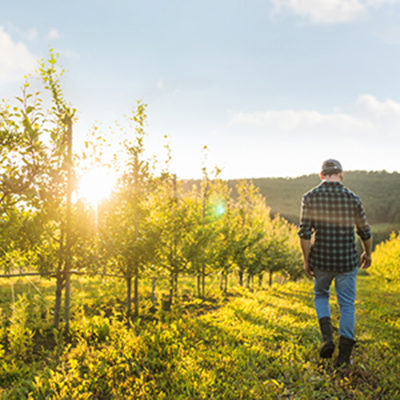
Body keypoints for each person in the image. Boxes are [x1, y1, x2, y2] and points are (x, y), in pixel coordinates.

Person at [298, 159, 372, 367]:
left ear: (322, 175)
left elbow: (304, 233)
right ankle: (344, 357)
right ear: (341, 174)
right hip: (347, 261)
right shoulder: (353, 198)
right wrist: (367, 253)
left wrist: (306, 260)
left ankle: (327, 339)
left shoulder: (310, 197)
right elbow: (364, 231)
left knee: (321, 295)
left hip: (321, 260)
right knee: (347, 304)